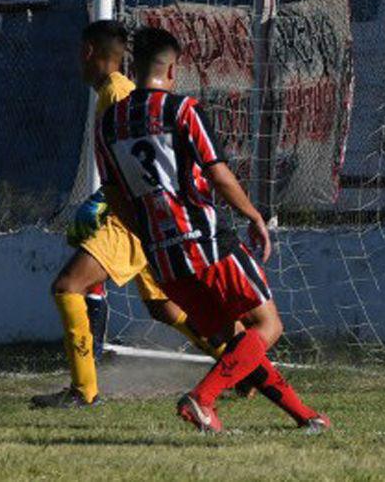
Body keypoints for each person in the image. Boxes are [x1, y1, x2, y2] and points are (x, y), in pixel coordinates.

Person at [94, 27, 327, 433]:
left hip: (165, 259)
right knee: (268, 326)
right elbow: (218, 175)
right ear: (172, 69)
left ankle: (304, 416)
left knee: (237, 340)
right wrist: (254, 216)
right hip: (208, 244)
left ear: (134, 66)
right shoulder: (183, 110)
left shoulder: (108, 123)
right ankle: (201, 399)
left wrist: (149, 237)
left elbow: (114, 198)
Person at [33, 21, 228, 408]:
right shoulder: (114, 91)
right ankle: (241, 364)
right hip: (141, 215)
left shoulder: (118, 93)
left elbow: (139, 161)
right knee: (164, 306)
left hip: (132, 218)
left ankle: (83, 391)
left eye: (79, 53)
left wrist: (104, 203)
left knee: (67, 286)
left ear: (89, 51)